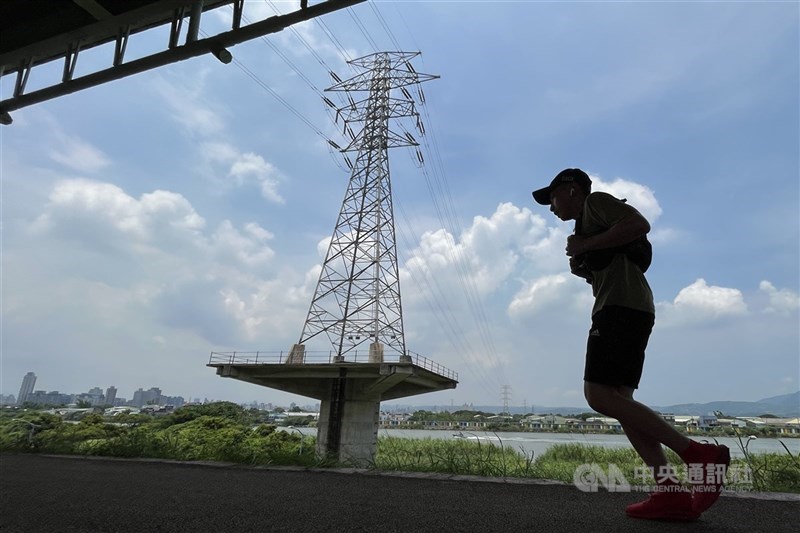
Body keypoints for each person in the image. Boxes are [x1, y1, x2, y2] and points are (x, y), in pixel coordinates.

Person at [532, 168, 730, 522]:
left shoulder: (595, 203)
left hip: (619, 309)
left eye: (553, 198)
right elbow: (617, 260)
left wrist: (585, 246)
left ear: (572, 189)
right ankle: (668, 491)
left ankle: (698, 453)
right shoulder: (588, 223)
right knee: (621, 402)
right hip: (630, 306)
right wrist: (586, 266)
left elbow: (639, 224)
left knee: (598, 395)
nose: (551, 208)